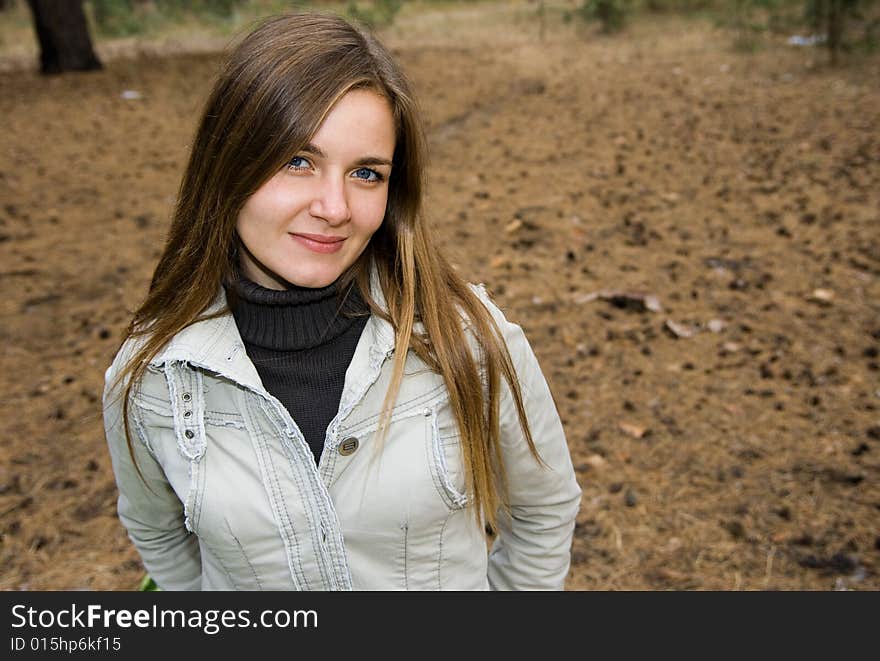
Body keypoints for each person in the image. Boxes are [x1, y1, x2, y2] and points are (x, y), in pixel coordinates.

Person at [102, 11, 581, 591]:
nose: (336, 207)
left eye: (366, 173)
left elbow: (543, 510)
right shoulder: (151, 375)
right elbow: (157, 533)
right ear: (228, 165)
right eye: (297, 162)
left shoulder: (468, 338)